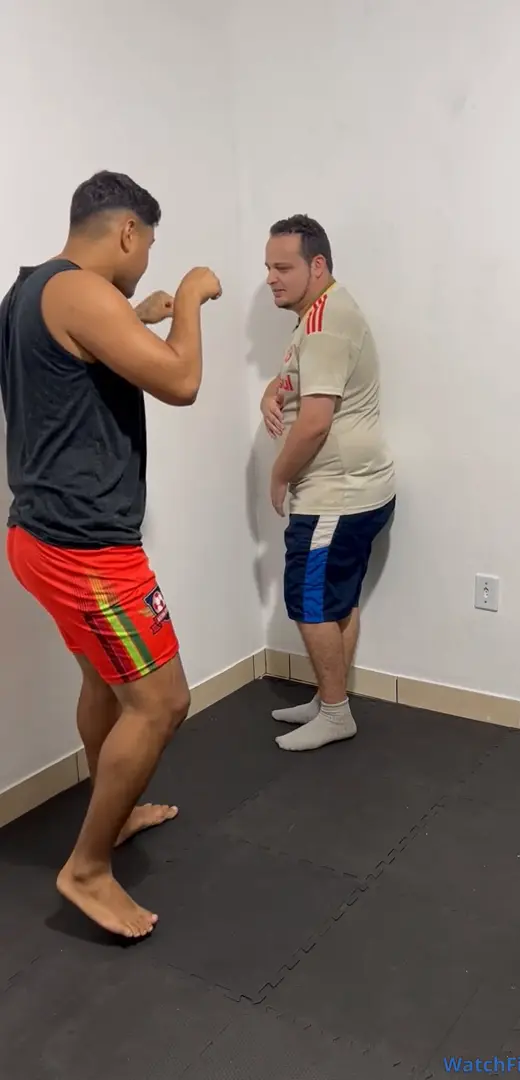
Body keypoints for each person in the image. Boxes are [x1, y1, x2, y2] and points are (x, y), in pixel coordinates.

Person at [0, 170, 221, 938]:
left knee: (104, 679)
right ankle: (88, 868)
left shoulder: (30, 291)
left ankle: (113, 811)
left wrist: (139, 314)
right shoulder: (83, 293)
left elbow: (72, 358)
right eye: (149, 246)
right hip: (85, 549)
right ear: (128, 232)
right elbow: (181, 380)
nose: (149, 260)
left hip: (38, 534)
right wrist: (189, 296)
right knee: (162, 702)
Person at [261, 214, 395, 752]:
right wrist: (271, 391)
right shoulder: (320, 313)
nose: (271, 278)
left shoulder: (323, 323)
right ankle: (328, 698)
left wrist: (278, 475)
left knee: (310, 602)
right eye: (268, 267)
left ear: (317, 266)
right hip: (359, 491)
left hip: (335, 496)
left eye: (283, 267)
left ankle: (336, 713)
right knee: (338, 599)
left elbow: (315, 421)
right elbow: (301, 377)